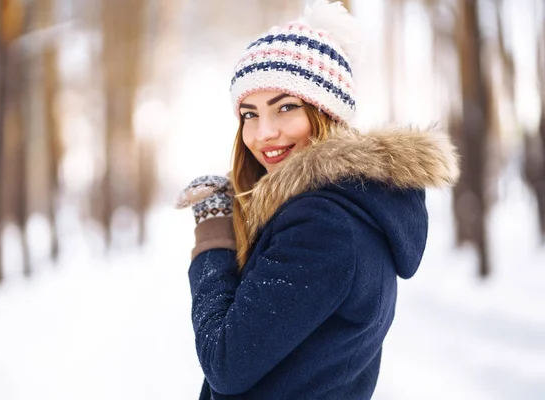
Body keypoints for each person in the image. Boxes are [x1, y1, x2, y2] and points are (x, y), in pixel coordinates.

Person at [177, 1, 459, 399]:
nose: (263, 133)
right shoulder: (349, 207)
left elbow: (224, 361)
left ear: (326, 113)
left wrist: (213, 233)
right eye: (249, 114)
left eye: (286, 107)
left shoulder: (324, 225)